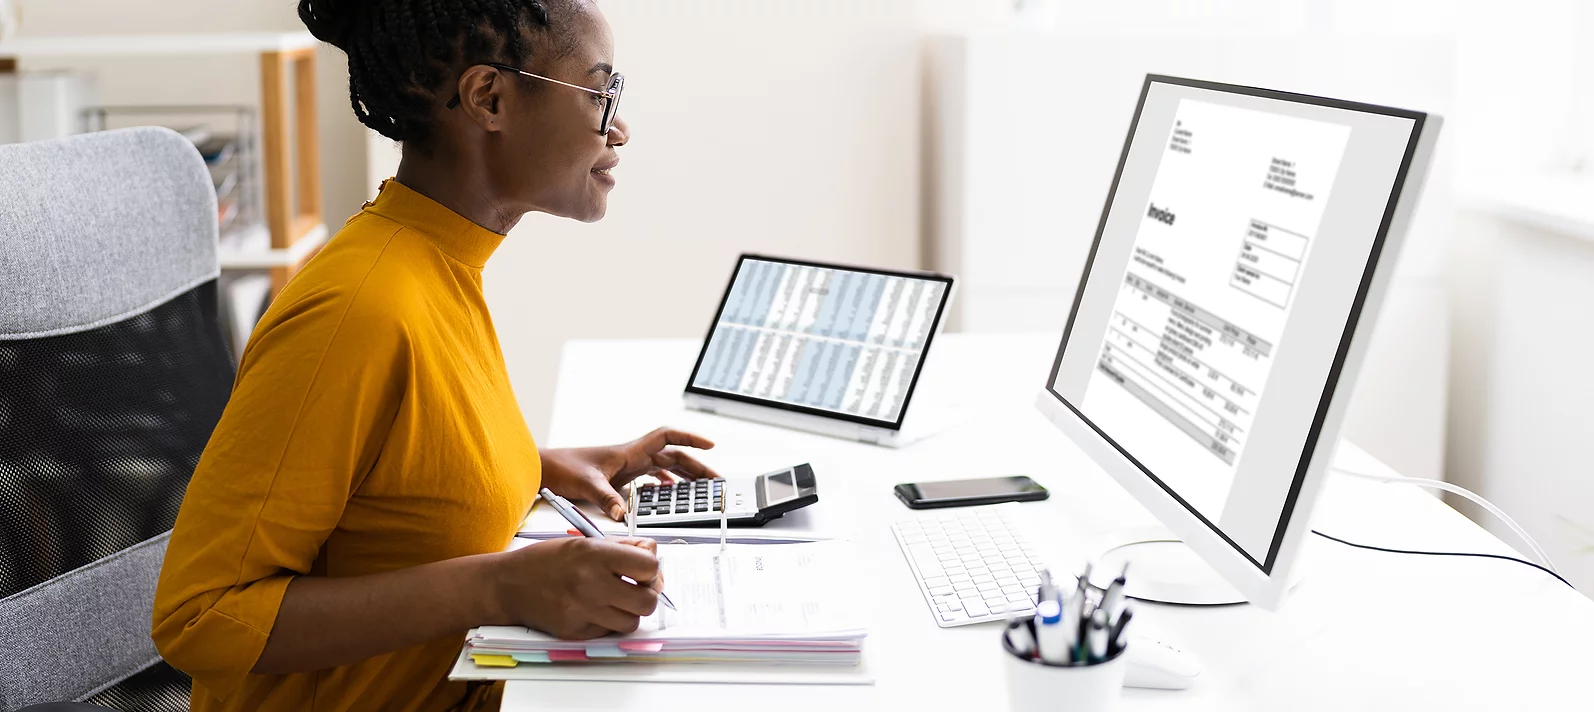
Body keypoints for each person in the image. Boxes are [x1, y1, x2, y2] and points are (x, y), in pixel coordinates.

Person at [150, 1, 714, 709]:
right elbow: (200, 617)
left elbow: (396, 479)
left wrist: (530, 465)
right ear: (490, 98)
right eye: (602, 94)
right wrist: (497, 585)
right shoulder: (357, 310)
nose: (619, 127)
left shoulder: (440, 262)